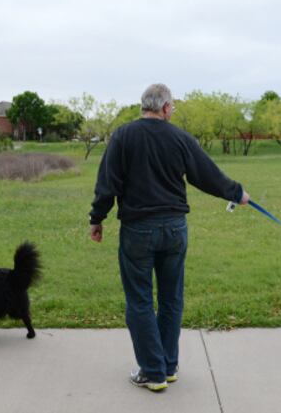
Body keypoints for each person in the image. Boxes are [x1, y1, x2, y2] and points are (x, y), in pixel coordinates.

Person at [89, 83, 250, 392]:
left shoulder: (123, 136)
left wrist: (97, 218)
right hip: (174, 229)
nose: (172, 111)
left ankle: (155, 370)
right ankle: (166, 366)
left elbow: (107, 182)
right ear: (164, 108)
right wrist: (236, 192)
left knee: (139, 300)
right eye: (172, 106)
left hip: (138, 230)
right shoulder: (179, 137)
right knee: (170, 298)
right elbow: (207, 174)